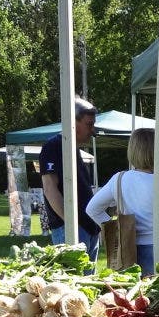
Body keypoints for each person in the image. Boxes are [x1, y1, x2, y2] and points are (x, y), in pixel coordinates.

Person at [86, 127, 156, 276]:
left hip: (127, 248)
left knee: (132, 296)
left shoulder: (119, 178)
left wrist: (116, 228)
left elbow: (92, 209)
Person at [40, 97, 100, 266]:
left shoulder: (75, 150)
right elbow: (50, 189)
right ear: (73, 122)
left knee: (88, 286)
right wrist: (71, 227)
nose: (93, 131)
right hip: (71, 230)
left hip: (89, 228)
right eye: (89, 124)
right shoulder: (53, 147)